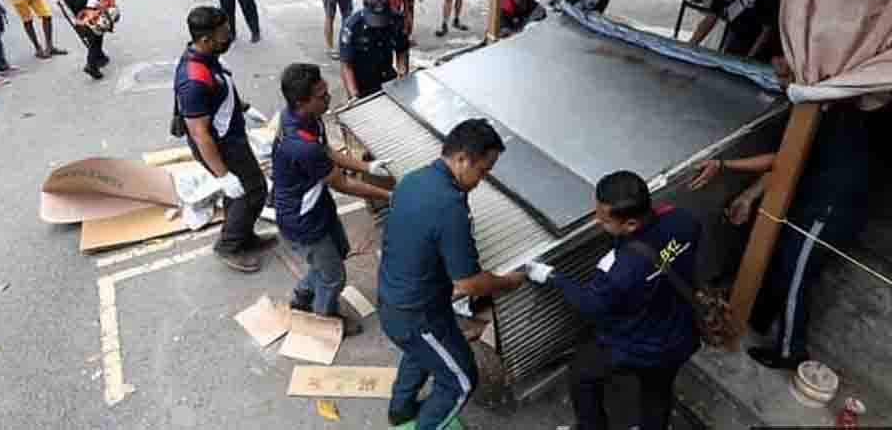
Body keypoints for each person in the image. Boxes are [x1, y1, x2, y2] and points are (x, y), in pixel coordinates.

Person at [688, 57, 885, 371]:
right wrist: (750, 195)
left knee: (796, 273)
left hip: (830, 210)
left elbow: (780, 159)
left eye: (785, 74)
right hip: (812, 199)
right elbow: (789, 160)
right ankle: (759, 316)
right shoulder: (816, 109)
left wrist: (724, 166)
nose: (779, 81)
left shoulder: (847, 114)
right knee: (783, 261)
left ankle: (791, 350)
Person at [526, 171, 701, 430]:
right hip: (680, 333)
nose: (597, 221)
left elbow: (592, 305)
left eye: (604, 220)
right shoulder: (684, 220)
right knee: (657, 391)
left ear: (630, 224)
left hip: (642, 344)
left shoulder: (620, 270)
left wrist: (552, 277)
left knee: (582, 375)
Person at [379, 118, 525, 430]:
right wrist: (508, 282)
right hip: (416, 314)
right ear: (461, 159)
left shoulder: (413, 179)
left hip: (396, 299)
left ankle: (400, 411)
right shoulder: (449, 206)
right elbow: (468, 283)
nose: (482, 180)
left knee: (421, 353)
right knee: (461, 379)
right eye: (482, 171)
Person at [273, 62, 395, 331]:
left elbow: (326, 151)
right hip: (302, 219)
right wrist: (388, 194)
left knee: (339, 251)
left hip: (318, 206)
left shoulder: (306, 119)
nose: (328, 98)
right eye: (321, 96)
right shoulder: (300, 145)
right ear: (301, 101)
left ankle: (303, 295)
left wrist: (367, 167)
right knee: (333, 278)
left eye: (326, 91)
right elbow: (342, 184)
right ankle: (325, 318)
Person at [175, 6, 272, 273]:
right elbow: (199, 132)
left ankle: (243, 236)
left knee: (246, 191)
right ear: (205, 39)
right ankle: (228, 246)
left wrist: (244, 107)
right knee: (251, 192)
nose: (229, 37)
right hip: (220, 147)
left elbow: (221, 91)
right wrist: (222, 175)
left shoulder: (209, 57)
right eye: (224, 34)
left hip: (232, 137)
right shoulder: (193, 80)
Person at [339, 0, 410, 101]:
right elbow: (346, 66)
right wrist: (354, 96)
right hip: (360, 80)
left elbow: (402, 51)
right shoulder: (352, 26)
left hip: (386, 75)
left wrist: (403, 77)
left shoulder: (397, 20)